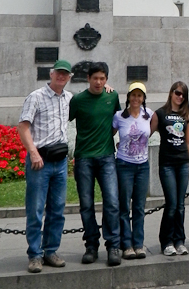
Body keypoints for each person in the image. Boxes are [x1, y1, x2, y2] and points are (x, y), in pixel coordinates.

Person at [17, 60, 73, 273]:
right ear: (51, 74)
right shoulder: (36, 97)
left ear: (69, 77)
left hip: (60, 162)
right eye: (58, 73)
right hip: (39, 161)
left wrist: (107, 88)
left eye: (65, 74)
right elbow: (23, 127)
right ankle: (34, 254)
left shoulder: (69, 98)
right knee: (36, 210)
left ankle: (50, 251)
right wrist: (33, 152)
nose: (61, 76)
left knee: (57, 210)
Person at [69, 62, 122, 266]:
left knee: (112, 202)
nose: (99, 82)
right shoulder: (79, 100)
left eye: (102, 78)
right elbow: (64, 117)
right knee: (86, 205)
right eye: (95, 78)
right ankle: (91, 245)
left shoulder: (112, 96)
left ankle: (113, 245)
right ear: (88, 79)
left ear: (106, 79)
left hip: (107, 156)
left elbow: (117, 122)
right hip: (84, 158)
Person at [151, 81, 189, 256]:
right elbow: (146, 132)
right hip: (167, 164)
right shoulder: (160, 114)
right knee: (172, 204)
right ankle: (166, 241)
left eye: (183, 94)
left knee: (181, 205)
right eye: (177, 93)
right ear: (171, 93)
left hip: (183, 162)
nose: (180, 97)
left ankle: (179, 240)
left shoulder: (186, 116)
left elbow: (188, 141)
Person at [113, 82, 154, 259]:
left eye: (140, 95)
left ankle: (138, 244)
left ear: (143, 98)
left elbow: (153, 127)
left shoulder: (149, 115)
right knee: (124, 206)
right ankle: (126, 244)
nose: (136, 98)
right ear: (128, 97)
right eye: (133, 95)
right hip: (124, 165)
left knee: (139, 206)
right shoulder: (119, 116)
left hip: (143, 166)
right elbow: (109, 133)